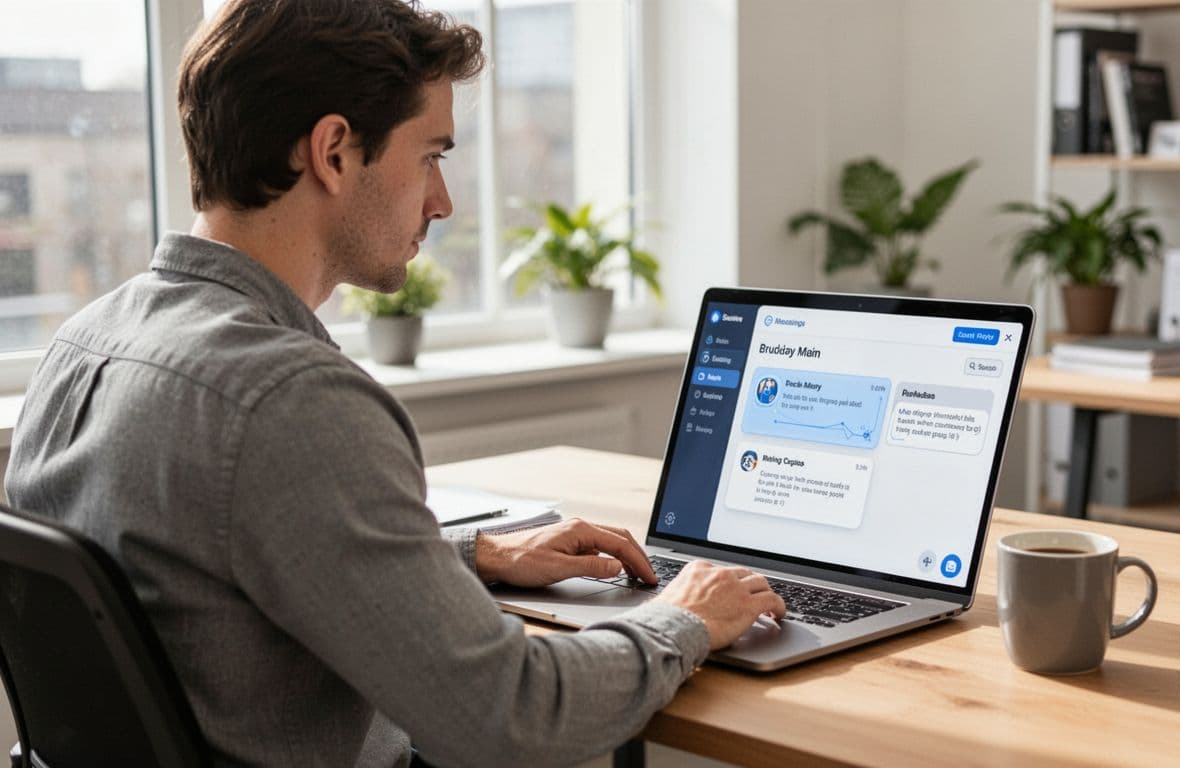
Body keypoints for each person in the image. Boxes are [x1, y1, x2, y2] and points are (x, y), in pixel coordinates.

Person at [3, 1, 784, 765]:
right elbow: (511, 718)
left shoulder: (87, 342)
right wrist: (683, 617)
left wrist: (474, 556)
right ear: (334, 151)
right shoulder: (289, 400)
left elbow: (219, 579)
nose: (443, 202)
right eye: (432, 156)